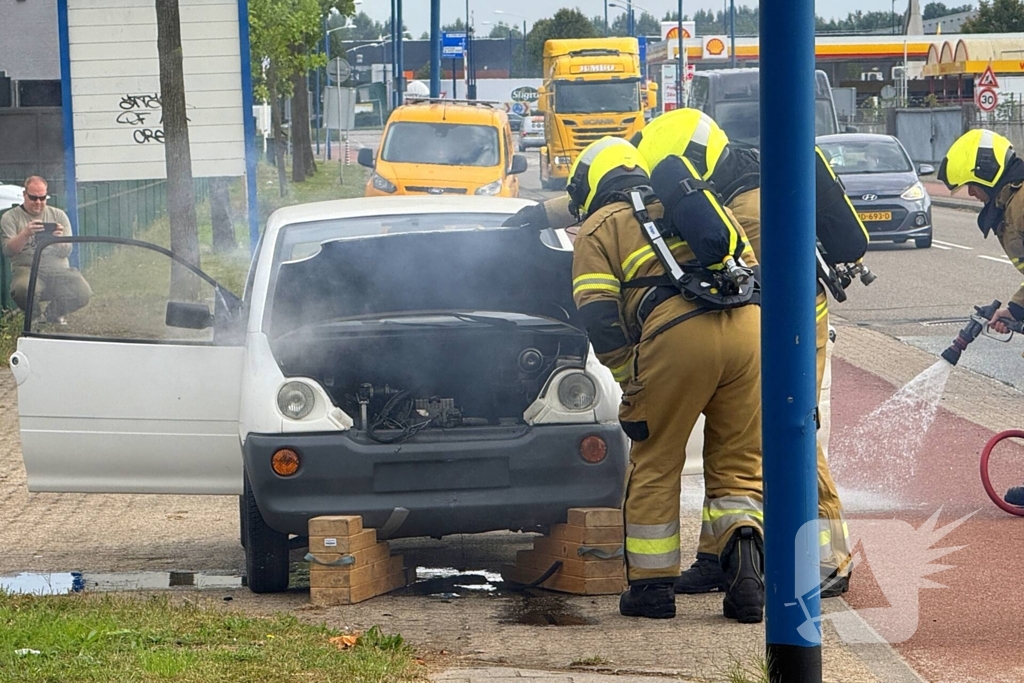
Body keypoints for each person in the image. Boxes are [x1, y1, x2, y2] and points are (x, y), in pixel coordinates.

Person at [635, 109, 866, 600]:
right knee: (735, 434)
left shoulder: (745, 210)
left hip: (791, 327)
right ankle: (719, 553)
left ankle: (829, 561)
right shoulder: (743, 183)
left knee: (794, 428)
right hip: (778, 321)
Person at [567, 136, 766, 622]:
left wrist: (629, 377)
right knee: (740, 463)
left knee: (655, 460)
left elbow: (599, 317)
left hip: (676, 334)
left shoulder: (599, 227)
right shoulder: (702, 204)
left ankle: (652, 590)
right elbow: (752, 273)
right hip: (749, 329)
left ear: (591, 184)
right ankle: (745, 566)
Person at [938, 129, 1024, 507]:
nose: (971, 195)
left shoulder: (1020, 205)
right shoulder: (1013, 202)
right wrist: (1015, 310)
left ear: (987, 173)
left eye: (971, 186)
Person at [0, 176, 91, 324]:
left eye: (42, 198)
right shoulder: (10, 217)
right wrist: (25, 234)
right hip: (28, 268)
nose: (38, 202)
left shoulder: (58, 215)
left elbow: (67, 251)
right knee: (22, 288)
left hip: (58, 269)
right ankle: (35, 317)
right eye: (33, 198)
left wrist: (58, 240)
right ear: (24, 194)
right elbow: (8, 251)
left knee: (83, 291)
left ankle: (53, 315)